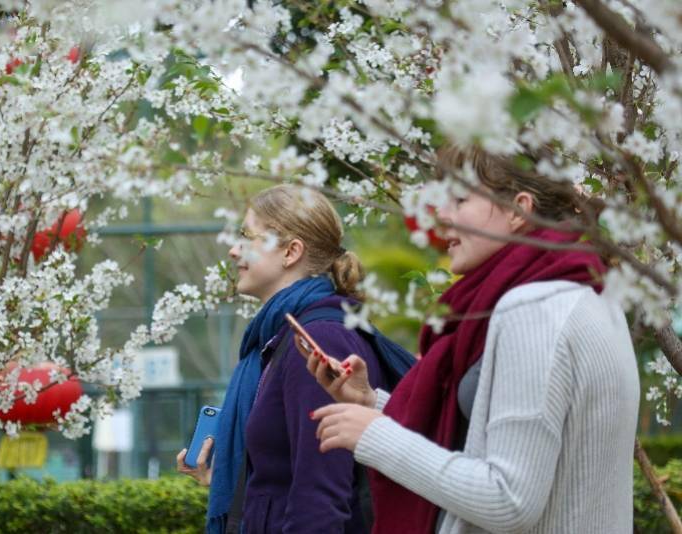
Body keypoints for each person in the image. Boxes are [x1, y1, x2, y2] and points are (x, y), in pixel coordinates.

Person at [301, 146, 641, 533]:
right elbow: (485, 434)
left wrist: (375, 436)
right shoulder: (586, 290)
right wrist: (373, 403)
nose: (441, 217)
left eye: (459, 199)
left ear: (519, 211)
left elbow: (509, 500)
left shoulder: (533, 308)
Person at [176, 185, 405, 533]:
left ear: (290, 252)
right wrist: (224, 479)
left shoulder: (319, 341)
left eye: (246, 236)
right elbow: (282, 478)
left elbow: (321, 498)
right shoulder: (278, 340)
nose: (234, 249)